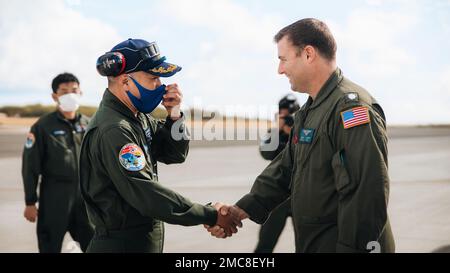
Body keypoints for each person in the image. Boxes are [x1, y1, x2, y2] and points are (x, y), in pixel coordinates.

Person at [207, 18, 395, 253]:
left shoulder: (350, 110)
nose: (280, 70)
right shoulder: (310, 111)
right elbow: (284, 169)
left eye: (283, 59)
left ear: (308, 54)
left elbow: (367, 196)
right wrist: (238, 211)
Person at [79, 38, 239, 253]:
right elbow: (147, 194)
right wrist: (210, 214)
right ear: (125, 81)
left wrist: (174, 114)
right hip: (121, 244)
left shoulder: (137, 117)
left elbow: (174, 153)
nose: (160, 86)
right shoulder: (115, 129)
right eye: (154, 78)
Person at [22, 72, 93, 253]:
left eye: (74, 90)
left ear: (81, 93)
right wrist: (30, 202)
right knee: (49, 247)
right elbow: (30, 166)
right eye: (64, 91)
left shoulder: (90, 124)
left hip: (86, 201)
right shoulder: (42, 127)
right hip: (54, 200)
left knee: (95, 246)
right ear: (55, 96)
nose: (70, 94)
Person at [255, 95, 299, 253]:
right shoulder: (275, 132)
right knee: (266, 242)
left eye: (291, 113)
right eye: (284, 113)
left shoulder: (305, 128)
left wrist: (293, 133)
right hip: (277, 196)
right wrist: (276, 129)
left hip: (301, 194)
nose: (288, 117)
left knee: (308, 243)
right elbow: (266, 153)